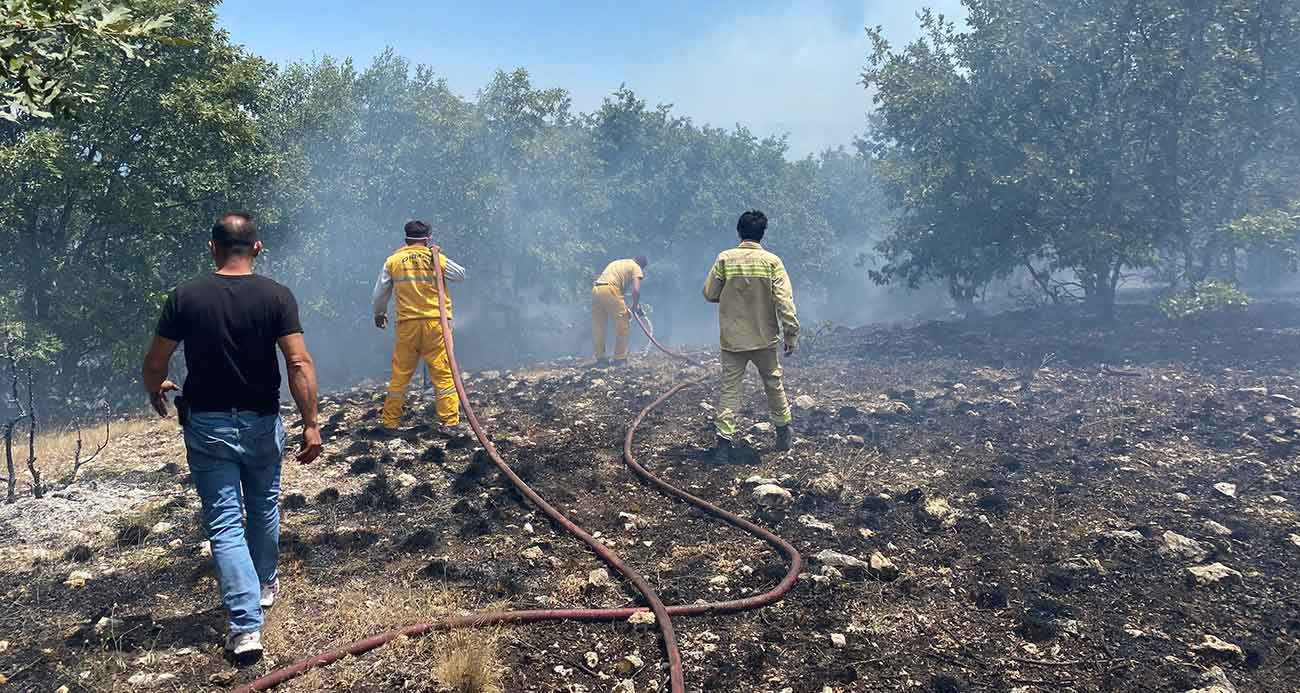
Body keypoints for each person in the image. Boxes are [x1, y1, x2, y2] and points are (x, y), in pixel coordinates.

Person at [142, 212, 322, 663]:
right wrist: (312, 423)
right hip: (262, 422)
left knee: (224, 524)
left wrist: (155, 386)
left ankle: (245, 628)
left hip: (207, 425)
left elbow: (155, 359)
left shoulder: (185, 296)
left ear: (212, 248)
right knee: (262, 507)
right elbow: (298, 363)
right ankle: (262, 586)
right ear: (257, 248)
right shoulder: (277, 296)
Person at [702, 210, 800, 461]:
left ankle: (723, 444)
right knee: (773, 383)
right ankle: (783, 434)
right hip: (764, 338)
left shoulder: (725, 259)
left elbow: (710, 293)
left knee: (730, 389)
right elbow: (784, 301)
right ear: (762, 233)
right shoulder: (772, 262)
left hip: (733, 339)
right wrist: (790, 333)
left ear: (739, 231)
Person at [373, 220, 467, 431]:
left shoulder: (394, 260)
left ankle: (390, 422)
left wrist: (379, 314)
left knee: (400, 374)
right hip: (436, 324)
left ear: (406, 238)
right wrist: (436, 255)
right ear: (428, 238)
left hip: (408, 326)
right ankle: (450, 422)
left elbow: (379, 293)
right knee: (443, 372)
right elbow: (460, 275)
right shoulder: (434, 257)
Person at [592, 256, 648, 366]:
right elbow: (636, 291)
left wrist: (636, 306)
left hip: (596, 290)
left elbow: (618, 292)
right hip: (610, 290)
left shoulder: (617, 263)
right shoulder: (636, 267)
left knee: (599, 327)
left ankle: (601, 359)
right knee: (623, 323)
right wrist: (635, 306)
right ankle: (620, 358)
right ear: (641, 265)